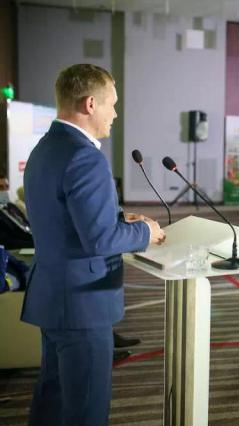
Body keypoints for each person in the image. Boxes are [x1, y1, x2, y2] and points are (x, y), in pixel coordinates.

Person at [21, 64, 166, 426]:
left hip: (54, 297)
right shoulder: (86, 157)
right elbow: (101, 240)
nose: (115, 114)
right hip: (83, 305)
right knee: (86, 411)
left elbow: (63, 217)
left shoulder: (45, 149)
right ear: (90, 104)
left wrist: (119, 218)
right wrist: (145, 231)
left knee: (52, 401)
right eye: (111, 104)